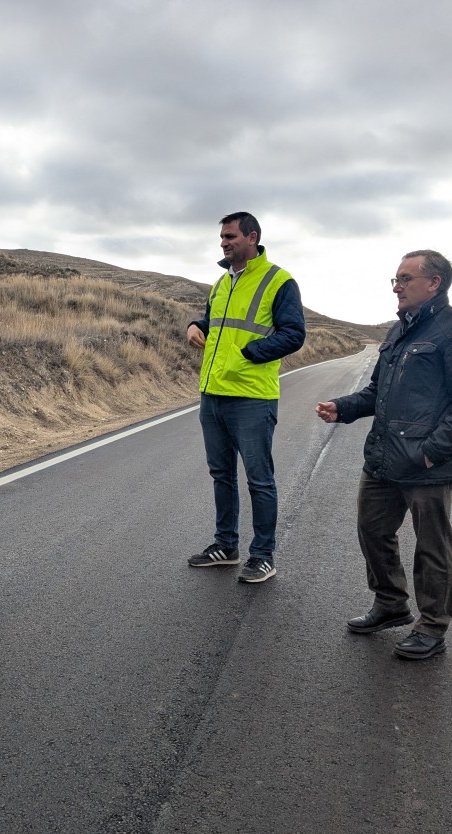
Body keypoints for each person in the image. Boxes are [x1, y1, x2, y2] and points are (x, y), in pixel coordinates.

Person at [316, 249, 452, 660]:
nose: (396, 286)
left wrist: (433, 451)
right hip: (383, 457)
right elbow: (377, 393)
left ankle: (432, 627)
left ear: (434, 283)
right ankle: (390, 603)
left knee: (432, 547)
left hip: (427, 465)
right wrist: (343, 407)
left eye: (405, 279)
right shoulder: (398, 332)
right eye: (394, 279)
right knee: (372, 530)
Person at [186, 211, 306, 583]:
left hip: (252, 397)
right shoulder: (222, 283)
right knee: (221, 475)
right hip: (213, 395)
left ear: (252, 237)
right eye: (222, 237)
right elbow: (215, 323)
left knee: (259, 479)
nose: (224, 243)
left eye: (230, 236)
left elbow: (293, 334)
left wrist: (248, 354)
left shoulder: (279, 281)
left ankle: (263, 555)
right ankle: (226, 546)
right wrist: (195, 324)